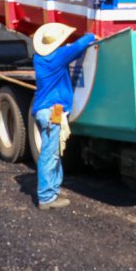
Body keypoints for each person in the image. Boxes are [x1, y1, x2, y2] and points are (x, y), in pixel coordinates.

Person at [31, 23, 95, 210]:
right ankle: (46, 197)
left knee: (54, 151)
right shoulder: (57, 57)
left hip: (47, 110)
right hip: (52, 111)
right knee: (50, 154)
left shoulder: (39, 58)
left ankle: (53, 190)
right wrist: (91, 35)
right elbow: (78, 46)